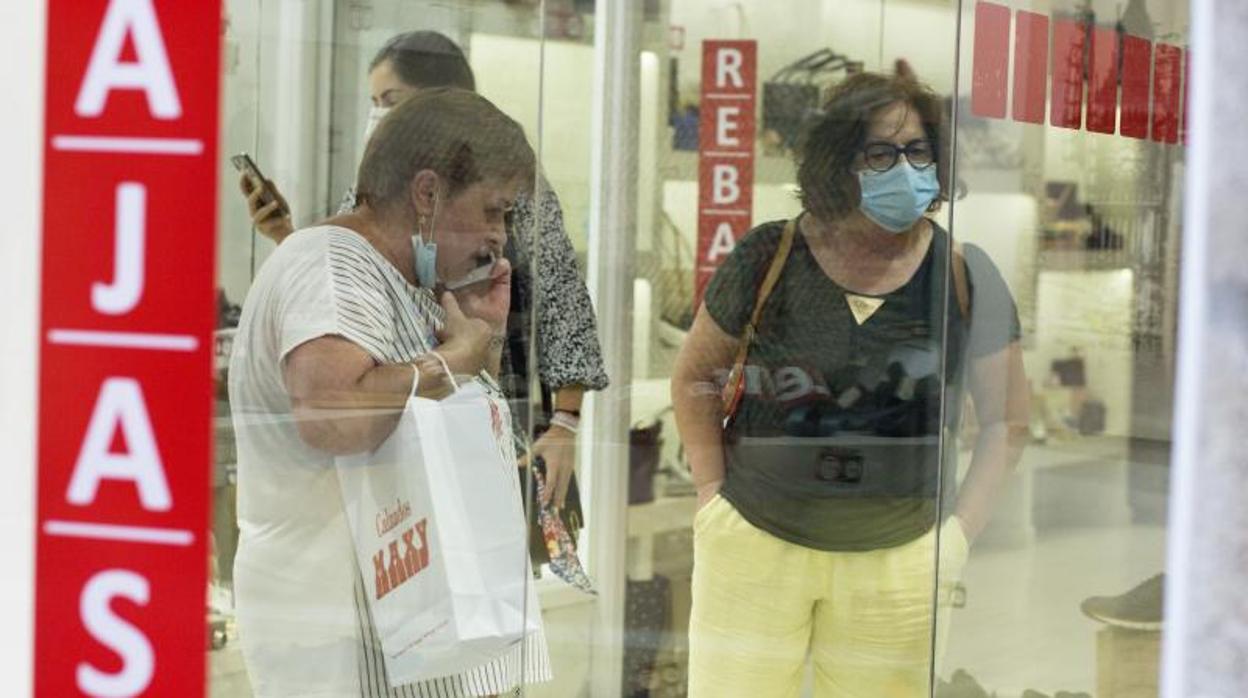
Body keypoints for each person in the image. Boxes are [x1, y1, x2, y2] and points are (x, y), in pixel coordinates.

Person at [671, 71, 1030, 697]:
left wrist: (959, 535)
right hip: (755, 542)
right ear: (841, 162)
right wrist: (711, 493)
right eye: (880, 153)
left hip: (900, 561)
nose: (904, 168)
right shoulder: (769, 254)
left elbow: (1008, 420)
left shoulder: (966, 276)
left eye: (918, 151)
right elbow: (697, 375)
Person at [228, 88, 550, 696]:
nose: (499, 236)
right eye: (492, 210)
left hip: (391, 631)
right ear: (427, 194)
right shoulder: (331, 267)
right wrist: (449, 363)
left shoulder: (388, 276)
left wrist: (474, 335)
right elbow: (333, 415)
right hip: (339, 637)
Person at [240, 31, 608, 510]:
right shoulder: (370, 203)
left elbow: (564, 301)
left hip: (483, 398)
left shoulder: (509, 183)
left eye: (390, 99)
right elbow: (354, 296)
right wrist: (288, 237)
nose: (380, 115)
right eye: (374, 101)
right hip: (412, 422)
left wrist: (564, 423)